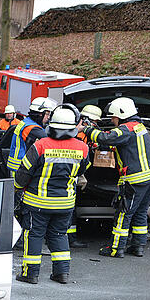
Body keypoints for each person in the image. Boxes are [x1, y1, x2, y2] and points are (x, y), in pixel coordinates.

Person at [14, 105, 91, 284]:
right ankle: (61, 273)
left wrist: (17, 187)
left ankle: (30, 273)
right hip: (65, 204)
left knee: (33, 235)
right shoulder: (83, 148)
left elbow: (24, 172)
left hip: (38, 203)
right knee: (59, 235)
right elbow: (83, 168)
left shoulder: (40, 145)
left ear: (52, 125)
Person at [84, 97, 150, 258]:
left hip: (135, 180)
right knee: (140, 212)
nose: (112, 120)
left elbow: (107, 137)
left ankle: (116, 248)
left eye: (113, 117)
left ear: (121, 114)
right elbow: (124, 145)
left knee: (123, 214)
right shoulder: (139, 127)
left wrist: (88, 130)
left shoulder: (126, 129)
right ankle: (138, 246)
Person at [66, 104, 103, 249]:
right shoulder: (75, 134)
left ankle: (70, 237)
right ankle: (69, 239)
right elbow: (81, 159)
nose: (95, 125)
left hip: (73, 175)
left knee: (71, 209)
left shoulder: (80, 134)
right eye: (94, 122)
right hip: (70, 176)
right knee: (69, 209)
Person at [7, 97, 57, 176]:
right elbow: (50, 141)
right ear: (40, 114)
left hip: (18, 166)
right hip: (20, 168)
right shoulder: (32, 128)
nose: (48, 117)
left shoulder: (26, 122)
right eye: (47, 114)